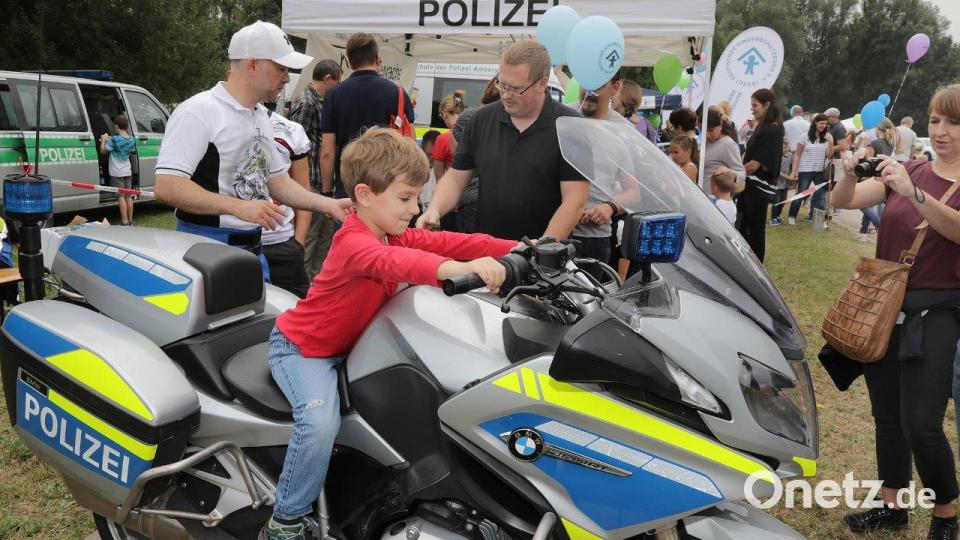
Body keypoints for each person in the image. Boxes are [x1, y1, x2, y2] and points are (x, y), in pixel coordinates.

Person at [260, 128, 517, 540]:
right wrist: (459, 270)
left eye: (417, 198)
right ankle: (285, 520)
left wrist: (519, 248)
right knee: (319, 422)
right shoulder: (354, 242)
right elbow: (401, 263)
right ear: (364, 195)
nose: (416, 208)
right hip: (303, 350)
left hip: (354, 348)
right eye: (405, 198)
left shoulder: (390, 232)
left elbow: (449, 241)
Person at [830, 84, 960, 540]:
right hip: (884, 307)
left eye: (953, 122)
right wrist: (848, 173)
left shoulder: (916, 180)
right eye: (935, 120)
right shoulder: (914, 167)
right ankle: (892, 506)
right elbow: (843, 202)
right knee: (887, 417)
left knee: (921, 423)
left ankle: (945, 515)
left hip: (937, 313)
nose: (941, 131)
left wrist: (916, 194)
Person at [154, 21, 351, 281]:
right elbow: (167, 185)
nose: (287, 78)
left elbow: (277, 181)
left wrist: (329, 204)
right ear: (252, 65)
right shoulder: (198, 111)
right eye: (281, 68)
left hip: (253, 249)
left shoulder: (260, 116)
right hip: (206, 249)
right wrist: (238, 207)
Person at [417, 40, 588, 241]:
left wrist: (541, 250)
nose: (505, 95)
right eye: (502, 84)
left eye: (515, 89)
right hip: (488, 249)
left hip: (545, 252)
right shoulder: (481, 120)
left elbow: (574, 202)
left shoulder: (571, 126)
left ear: (542, 84)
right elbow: (456, 178)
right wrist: (435, 209)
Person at [321, 33, 416, 199]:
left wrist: (326, 192)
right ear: (377, 58)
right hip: (386, 188)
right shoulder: (397, 93)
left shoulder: (333, 95)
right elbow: (411, 146)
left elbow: (327, 152)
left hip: (347, 189)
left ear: (348, 62)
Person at [290, 59, 342, 280]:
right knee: (310, 236)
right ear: (328, 79)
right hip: (309, 181)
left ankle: (315, 281)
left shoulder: (321, 102)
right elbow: (293, 145)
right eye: (337, 83)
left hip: (322, 182)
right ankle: (301, 281)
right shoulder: (306, 103)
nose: (339, 88)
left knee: (324, 236)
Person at [573, 70, 624, 281]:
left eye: (598, 85)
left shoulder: (622, 131)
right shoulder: (560, 117)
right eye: (585, 81)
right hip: (553, 234)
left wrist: (609, 207)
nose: (589, 91)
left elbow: (635, 192)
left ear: (615, 87)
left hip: (593, 240)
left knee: (589, 300)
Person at [264, 109, 312, 298]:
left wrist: (298, 245)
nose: (278, 95)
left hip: (281, 242)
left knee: (293, 307)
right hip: (230, 241)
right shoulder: (211, 117)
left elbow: (303, 194)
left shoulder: (291, 130)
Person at [448, 76, 501, 234]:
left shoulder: (469, 116)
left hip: (472, 201)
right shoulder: (520, 120)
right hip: (500, 202)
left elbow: (458, 163)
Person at [738, 88, 784, 262]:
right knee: (744, 225)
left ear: (767, 105)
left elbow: (754, 165)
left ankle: (756, 265)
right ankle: (745, 262)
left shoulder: (773, 130)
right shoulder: (763, 127)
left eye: (755, 105)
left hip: (758, 187)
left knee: (755, 229)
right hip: (750, 185)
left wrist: (735, 174)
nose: (752, 109)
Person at [787, 113, 834, 225]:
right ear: (815, 123)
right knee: (801, 193)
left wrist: (831, 142)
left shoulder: (827, 137)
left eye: (825, 124)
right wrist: (794, 172)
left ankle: (817, 219)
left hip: (820, 171)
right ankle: (792, 215)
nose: (823, 126)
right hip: (805, 170)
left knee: (820, 196)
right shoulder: (804, 136)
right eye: (821, 123)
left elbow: (829, 155)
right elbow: (797, 154)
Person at [98, 114, 137, 226]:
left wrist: (103, 140)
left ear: (116, 126)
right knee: (128, 196)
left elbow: (103, 151)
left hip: (116, 172)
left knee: (121, 196)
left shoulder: (115, 140)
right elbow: (129, 148)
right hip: (127, 171)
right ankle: (130, 220)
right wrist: (110, 139)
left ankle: (124, 221)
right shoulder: (132, 140)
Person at [703, 107, 746, 187]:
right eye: (703, 130)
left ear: (720, 125)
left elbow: (742, 174)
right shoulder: (704, 142)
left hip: (713, 194)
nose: (707, 135)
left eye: (711, 130)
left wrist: (728, 172)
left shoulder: (728, 144)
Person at [432, 90, 467, 182]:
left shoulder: (443, 139)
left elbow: (439, 178)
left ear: (444, 114)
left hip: (454, 187)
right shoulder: (474, 131)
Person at [769, 138, 793, 226]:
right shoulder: (776, 157)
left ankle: (778, 215)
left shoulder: (790, 155)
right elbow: (777, 171)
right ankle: (773, 218)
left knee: (783, 201)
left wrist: (793, 175)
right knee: (776, 201)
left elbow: (792, 166)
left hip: (785, 184)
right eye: (783, 148)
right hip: (777, 183)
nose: (785, 149)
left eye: (787, 147)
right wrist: (788, 177)